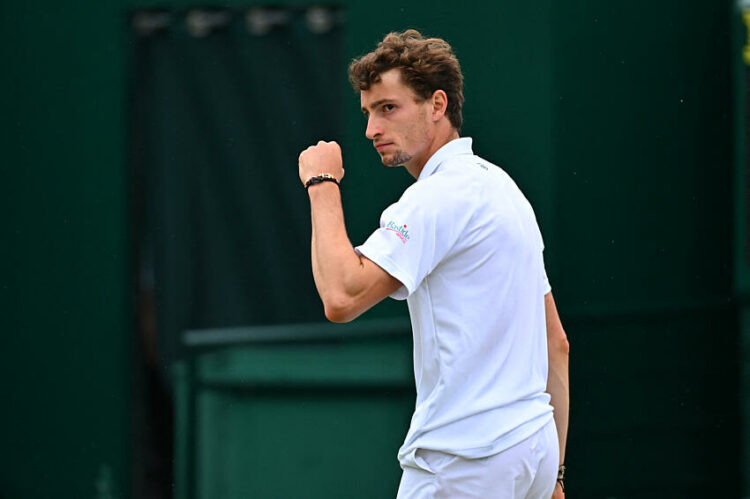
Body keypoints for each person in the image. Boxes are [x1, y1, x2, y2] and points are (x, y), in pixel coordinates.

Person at [298, 29, 569, 499]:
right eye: (368, 113)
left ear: (437, 105)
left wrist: (322, 182)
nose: (371, 130)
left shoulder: (436, 196)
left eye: (388, 107)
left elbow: (341, 296)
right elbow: (556, 342)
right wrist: (555, 475)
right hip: (532, 453)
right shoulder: (505, 190)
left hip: (465, 460)